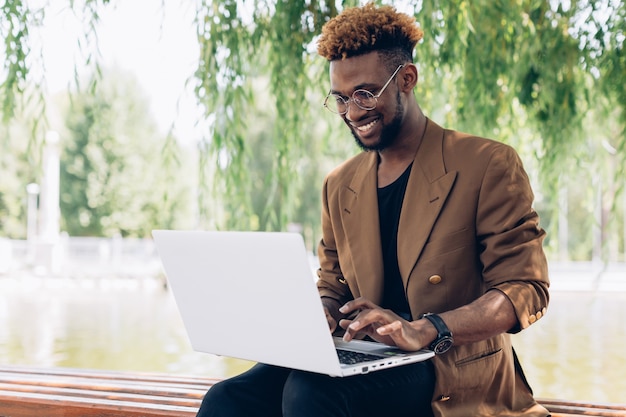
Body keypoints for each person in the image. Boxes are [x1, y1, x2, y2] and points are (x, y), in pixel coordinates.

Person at [195, 3, 550, 417]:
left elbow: (525, 289)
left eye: (366, 93)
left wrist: (426, 328)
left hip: (447, 365)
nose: (352, 112)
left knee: (311, 394)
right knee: (227, 399)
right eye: (341, 98)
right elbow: (333, 283)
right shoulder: (339, 184)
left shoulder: (486, 163)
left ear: (407, 79)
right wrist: (323, 315)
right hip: (365, 353)